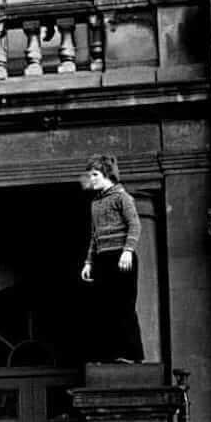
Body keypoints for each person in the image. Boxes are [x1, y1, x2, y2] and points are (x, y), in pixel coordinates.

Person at [79, 154, 143, 363]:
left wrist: (127, 251)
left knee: (124, 306)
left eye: (95, 174)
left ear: (107, 174)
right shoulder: (95, 204)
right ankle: (108, 356)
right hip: (102, 259)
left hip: (121, 257)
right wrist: (89, 262)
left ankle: (130, 355)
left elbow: (135, 225)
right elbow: (94, 236)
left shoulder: (122, 197)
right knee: (103, 309)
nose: (91, 178)